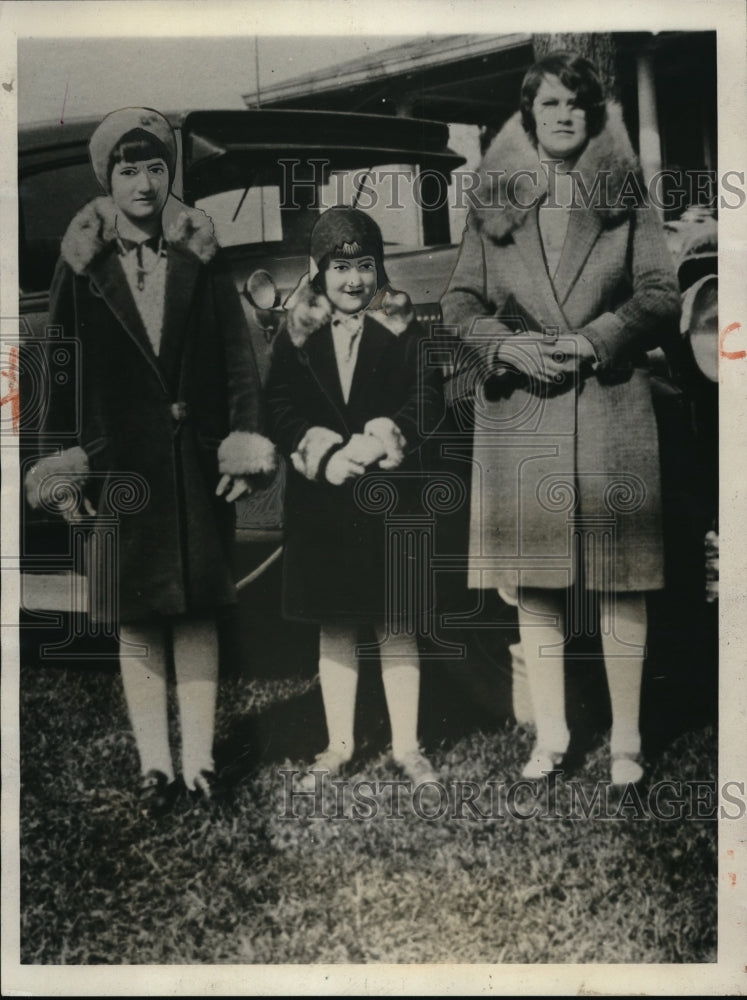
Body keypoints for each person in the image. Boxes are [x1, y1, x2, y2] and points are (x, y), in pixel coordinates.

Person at [25, 108, 276, 814]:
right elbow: (62, 371)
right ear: (108, 179)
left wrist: (244, 443)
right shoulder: (82, 265)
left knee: (197, 611)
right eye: (129, 169)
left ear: (170, 175)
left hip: (193, 461)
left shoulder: (199, 253)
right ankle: (154, 766)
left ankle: (198, 762)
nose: (144, 182)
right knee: (136, 617)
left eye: (156, 167)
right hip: (119, 467)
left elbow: (236, 361)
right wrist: (57, 466)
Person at [441, 52, 681, 786]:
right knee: (535, 583)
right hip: (522, 406)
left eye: (576, 102)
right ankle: (550, 738)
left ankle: (628, 743)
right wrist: (507, 345)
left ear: (593, 113)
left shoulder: (622, 190)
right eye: (549, 104)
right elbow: (458, 304)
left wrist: (594, 337)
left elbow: (659, 293)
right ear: (527, 114)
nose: (564, 115)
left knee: (619, 578)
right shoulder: (493, 198)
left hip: (609, 402)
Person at [265, 206, 444, 787]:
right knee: (335, 624)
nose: (354, 280)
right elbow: (278, 406)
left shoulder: (402, 329)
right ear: (319, 272)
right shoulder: (297, 336)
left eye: (365, 266)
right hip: (323, 506)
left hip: (391, 500)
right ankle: (338, 746)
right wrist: (321, 452)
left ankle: (408, 746)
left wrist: (380, 438)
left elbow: (427, 401)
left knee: (397, 623)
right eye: (340, 267)